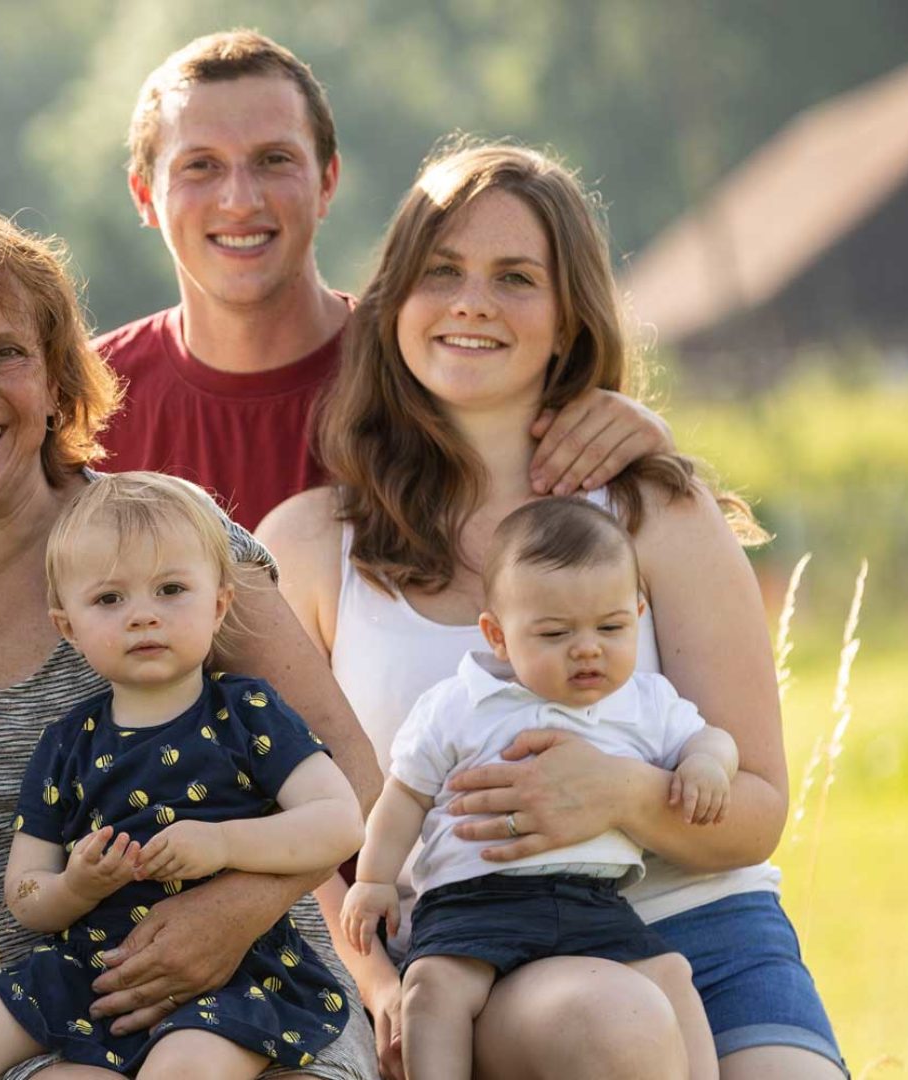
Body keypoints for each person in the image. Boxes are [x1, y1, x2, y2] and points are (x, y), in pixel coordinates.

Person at [258, 141, 845, 1080]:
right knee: (610, 1025)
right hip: (476, 950)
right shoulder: (308, 546)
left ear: (569, 319)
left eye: (515, 277)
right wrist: (373, 979)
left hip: (701, 927)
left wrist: (622, 792)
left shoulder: (659, 511)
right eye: (441, 271)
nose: (472, 302)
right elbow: (298, 820)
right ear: (394, 303)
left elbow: (758, 810)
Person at [0, 188, 384, 1080]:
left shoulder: (164, 539)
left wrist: (232, 910)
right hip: (4, 1022)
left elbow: (352, 771)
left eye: (5, 352)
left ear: (58, 378)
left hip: (250, 999)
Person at [96, 29, 670, 531]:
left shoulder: (430, 363)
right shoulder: (83, 400)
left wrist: (639, 432)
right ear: (144, 196)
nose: (241, 199)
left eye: (275, 160)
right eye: (201, 165)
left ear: (327, 181)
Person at [0, 472, 364, 1078]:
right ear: (67, 625)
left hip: (235, 973)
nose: (143, 617)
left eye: (171, 589)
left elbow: (341, 821)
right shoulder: (68, 743)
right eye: (110, 600)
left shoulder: (247, 713)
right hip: (91, 970)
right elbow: (26, 893)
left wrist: (225, 843)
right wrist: (77, 887)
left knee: (182, 1068)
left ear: (219, 603)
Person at [341, 497, 734, 1080]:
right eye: (554, 632)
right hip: (475, 899)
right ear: (498, 636)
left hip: (592, 898)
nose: (587, 648)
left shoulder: (643, 703)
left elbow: (712, 739)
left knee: (670, 974)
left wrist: (705, 765)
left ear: (640, 614)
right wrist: (373, 879)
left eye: (612, 626)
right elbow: (405, 797)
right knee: (434, 986)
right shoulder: (459, 704)